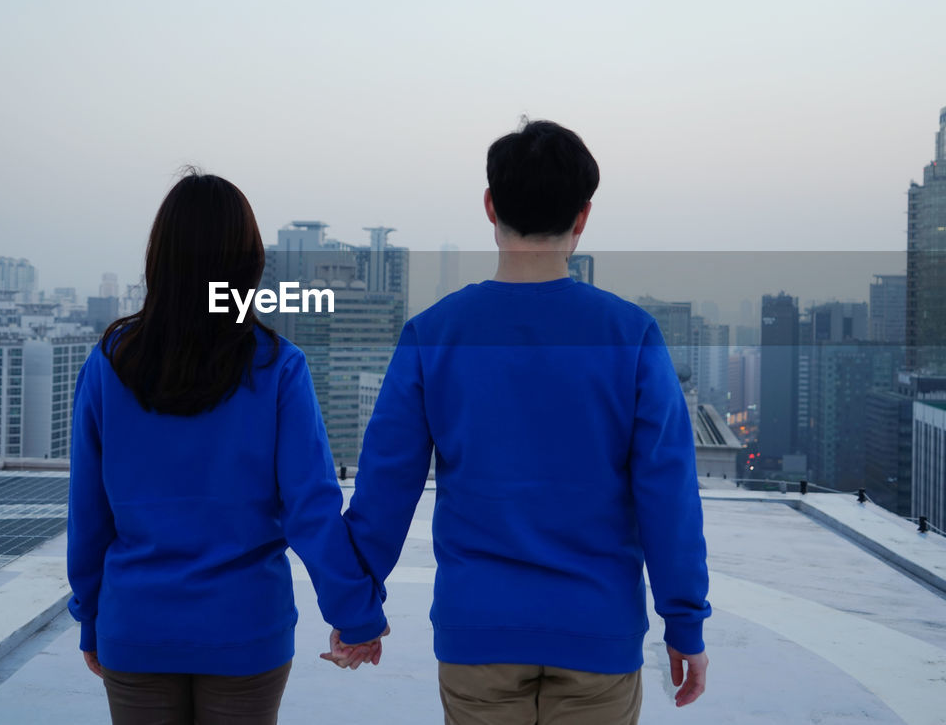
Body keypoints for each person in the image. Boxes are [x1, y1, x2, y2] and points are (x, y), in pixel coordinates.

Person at [336, 120, 711, 723]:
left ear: (490, 206)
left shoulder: (434, 334)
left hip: (477, 632)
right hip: (599, 633)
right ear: (582, 217)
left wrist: (356, 609)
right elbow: (667, 494)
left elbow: (385, 488)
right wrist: (685, 621)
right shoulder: (630, 335)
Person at [67, 171, 388, 725]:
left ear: (160, 257)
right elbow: (310, 508)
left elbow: (88, 513)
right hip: (246, 629)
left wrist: (92, 617)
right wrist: (355, 615)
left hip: (136, 624)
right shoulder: (278, 365)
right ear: (248, 262)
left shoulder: (110, 363)